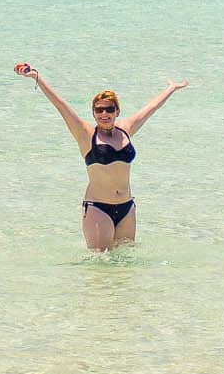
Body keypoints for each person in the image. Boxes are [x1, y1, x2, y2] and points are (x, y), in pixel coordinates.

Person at [13, 65, 188, 251]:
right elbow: (61, 106)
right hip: (98, 209)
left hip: (127, 208)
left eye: (109, 109)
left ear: (117, 111)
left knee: (125, 266)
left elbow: (151, 108)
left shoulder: (126, 130)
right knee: (100, 267)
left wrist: (171, 88)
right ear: (93, 113)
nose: (104, 114)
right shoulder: (86, 135)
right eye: (99, 110)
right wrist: (37, 78)